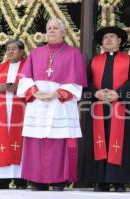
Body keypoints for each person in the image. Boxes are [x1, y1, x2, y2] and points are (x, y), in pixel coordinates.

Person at [17, 18, 87, 191]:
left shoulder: (74, 53)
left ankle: (58, 180)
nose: (51, 31)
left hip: (60, 105)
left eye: (55, 28)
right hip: (38, 104)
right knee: (36, 141)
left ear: (64, 32)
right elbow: (24, 78)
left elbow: (77, 83)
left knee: (58, 142)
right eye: (49, 28)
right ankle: (37, 180)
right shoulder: (36, 52)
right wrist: (34, 91)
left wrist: (57, 93)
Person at [79, 26, 130, 192]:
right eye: (105, 38)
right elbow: (86, 81)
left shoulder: (129, 60)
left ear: (119, 41)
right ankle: (100, 180)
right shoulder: (95, 61)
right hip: (99, 107)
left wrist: (118, 93)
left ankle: (120, 180)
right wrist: (96, 92)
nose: (108, 40)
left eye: (112, 37)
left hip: (120, 107)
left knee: (122, 142)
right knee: (99, 140)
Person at [0, 39, 27, 189]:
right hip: (0, 114)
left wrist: (18, 89)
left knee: (21, 142)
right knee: (0, 144)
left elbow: (34, 85)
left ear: (21, 51)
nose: (10, 51)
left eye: (14, 49)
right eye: (8, 49)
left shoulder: (28, 67)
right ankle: (2, 180)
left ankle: (21, 179)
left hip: (22, 112)